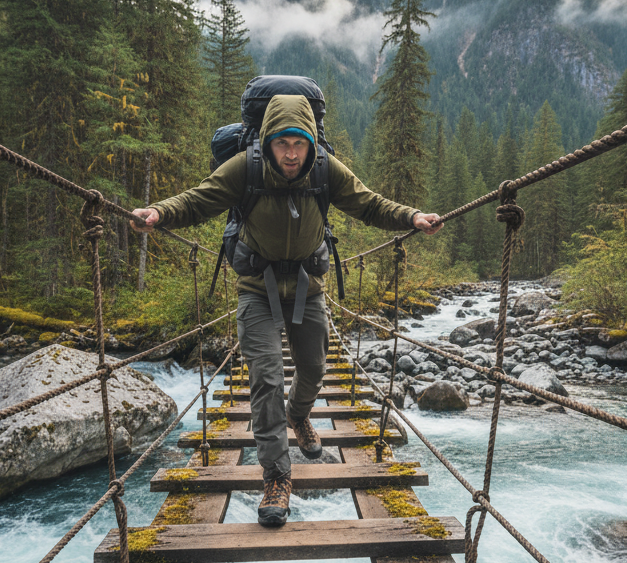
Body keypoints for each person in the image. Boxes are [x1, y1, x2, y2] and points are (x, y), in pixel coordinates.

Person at [132, 93, 443, 526]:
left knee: (314, 370)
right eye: (282, 144)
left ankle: (299, 415)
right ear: (267, 142)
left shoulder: (323, 169)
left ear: (312, 142)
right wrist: (160, 213)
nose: (292, 154)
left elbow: (367, 202)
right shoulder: (247, 166)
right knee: (265, 378)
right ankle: (276, 477)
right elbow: (199, 199)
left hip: (308, 287)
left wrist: (411, 217)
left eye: (299, 143)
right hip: (256, 289)